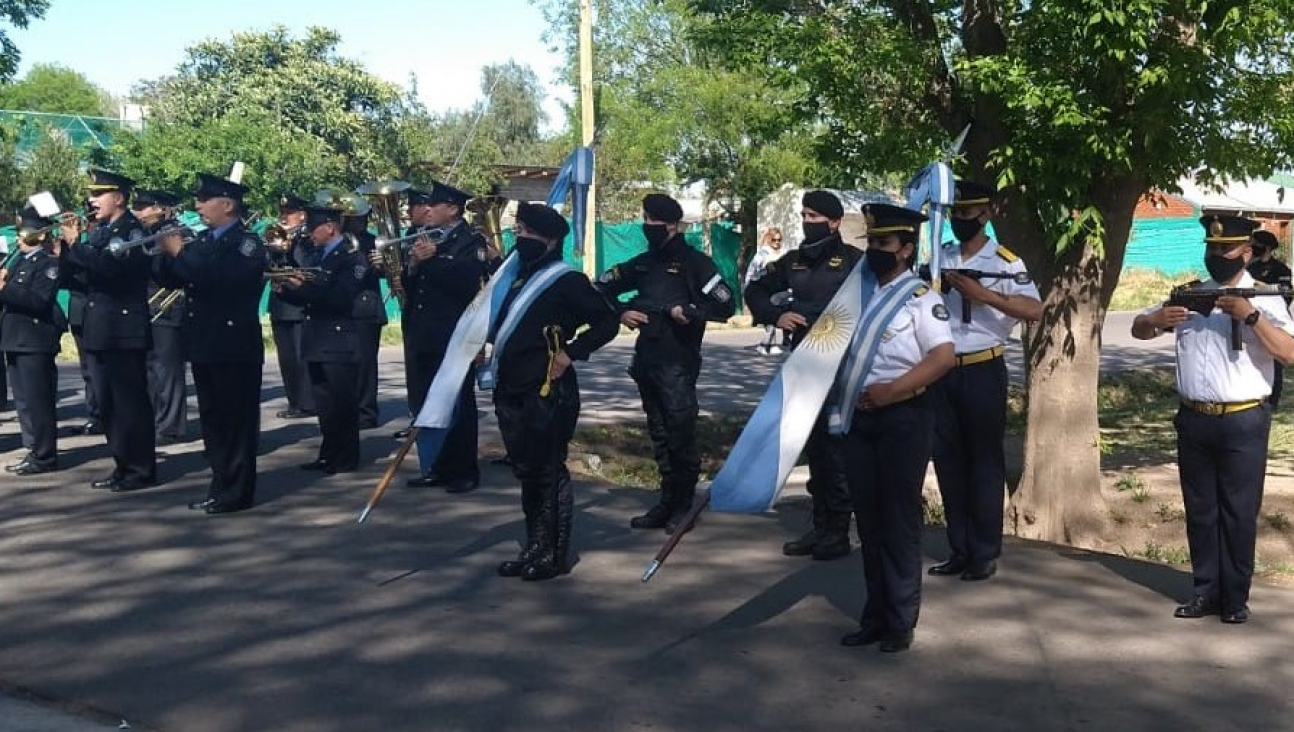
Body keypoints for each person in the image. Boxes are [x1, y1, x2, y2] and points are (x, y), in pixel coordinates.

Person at [1132, 214, 1294, 624]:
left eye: (1226, 248)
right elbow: (1138, 328)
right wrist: (1156, 321)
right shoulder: (1188, 294)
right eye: (1211, 248)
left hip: (1243, 419)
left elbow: (1290, 352)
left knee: (1238, 513)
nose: (1217, 255)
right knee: (1201, 510)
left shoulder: (1267, 297)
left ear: (1246, 251)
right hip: (1195, 418)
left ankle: (1235, 599)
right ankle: (1205, 591)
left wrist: (1251, 316)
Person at [836, 203, 955, 653]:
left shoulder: (923, 299)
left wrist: (896, 391)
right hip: (861, 419)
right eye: (870, 242)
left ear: (906, 249)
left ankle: (901, 620)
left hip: (903, 417)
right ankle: (875, 615)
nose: (874, 250)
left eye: (883, 244)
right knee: (868, 522)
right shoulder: (862, 296)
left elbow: (942, 359)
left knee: (899, 522)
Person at [488, 202, 618, 580]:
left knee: (547, 471)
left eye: (528, 233)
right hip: (511, 386)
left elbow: (607, 321)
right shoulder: (515, 276)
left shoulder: (567, 281)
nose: (520, 239)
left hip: (547, 388)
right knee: (526, 470)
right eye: (519, 231)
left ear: (550, 240)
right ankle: (534, 545)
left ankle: (554, 554)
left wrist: (571, 353)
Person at [598, 193, 736, 532]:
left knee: (680, 434)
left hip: (678, 362)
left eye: (653, 222)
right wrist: (621, 312)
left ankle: (684, 506)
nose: (647, 227)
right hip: (647, 360)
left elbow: (726, 305)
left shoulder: (695, 264)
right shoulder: (644, 263)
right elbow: (601, 285)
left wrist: (689, 312)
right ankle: (666, 501)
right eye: (644, 220)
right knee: (658, 434)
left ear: (672, 226)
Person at [928, 180, 1042, 581]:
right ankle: (959, 548)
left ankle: (984, 552)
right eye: (956, 214)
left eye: (969, 213)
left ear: (987, 214)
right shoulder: (939, 257)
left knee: (983, 462)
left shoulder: (1005, 261)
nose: (961, 220)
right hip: (941, 370)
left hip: (982, 368)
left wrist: (985, 295)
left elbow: (1033, 309)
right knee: (948, 461)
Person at [745, 190, 860, 560]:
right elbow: (756, 290)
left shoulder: (855, 262)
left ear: (834, 222)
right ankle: (820, 525)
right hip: (803, 365)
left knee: (837, 450)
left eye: (815, 217)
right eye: (804, 215)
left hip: (840, 368)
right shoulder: (793, 261)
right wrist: (774, 315)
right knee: (815, 447)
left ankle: (838, 532)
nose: (808, 222)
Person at [153, 172, 267, 515]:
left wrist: (181, 255)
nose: (198, 205)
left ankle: (236, 491)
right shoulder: (203, 242)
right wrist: (164, 252)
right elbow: (171, 276)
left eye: (205, 200)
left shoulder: (247, 244)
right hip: (205, 343)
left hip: (235, 345)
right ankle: (220, 486)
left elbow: (221, 281)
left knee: (236, 423)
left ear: (227, 205)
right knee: (213, 422)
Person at [58, 169, 157, 492]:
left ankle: (140, 468)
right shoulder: (100, 233)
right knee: (108, 404)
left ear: (118, 197)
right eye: (91, 194)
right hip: (98, 327)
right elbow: (76, 278)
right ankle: (122, 464)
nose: (91, 200)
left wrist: (78, 245)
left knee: (130, 403)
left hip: (123, 328)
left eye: (98, 194)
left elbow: (110, 270)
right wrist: (65, 247)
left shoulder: (131, 232)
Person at [400, 181, 491, 493]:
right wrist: (413, 264)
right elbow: (412, 287)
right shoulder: (427, 239)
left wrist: (433, 259)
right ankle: (436, 465)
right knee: (428, 403)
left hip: (453, 335)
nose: (426, 210)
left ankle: (464, 469)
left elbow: (464, 280)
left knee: (458, 405)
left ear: (451, 209)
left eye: (433, 205)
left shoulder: (470, 241)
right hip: (424, 332)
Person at [275, 204, 368, 474]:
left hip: (338, 340)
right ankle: (328, 453)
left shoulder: (352, 258)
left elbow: (339, 298)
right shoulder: (318, 256)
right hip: (317, 338)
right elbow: (309, 298)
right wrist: (286, 291)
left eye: (313, 228)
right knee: (325, 404)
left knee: (343, 404)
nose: (310, 234)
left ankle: (346, 457)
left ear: (330, 227)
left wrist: (304, 287)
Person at [0, 207, 67, 475]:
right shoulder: (18, 262)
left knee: (38, 401)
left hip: (35, 339)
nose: (17, 239)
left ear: (37, 235)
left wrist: (6, 288)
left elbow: (38, 301)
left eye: (21, 233)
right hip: (15, 339)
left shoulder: (48, 264)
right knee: (24, 402)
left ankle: (44, 454)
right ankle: (33, 449)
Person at [135, 189, 189, 444]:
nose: (139, 212)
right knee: (148, 371)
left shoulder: (180, 233)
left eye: (145, 207)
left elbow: (178, 272)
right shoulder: (144, 235)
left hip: (168, 310)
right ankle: (155, 419)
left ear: (163, 209)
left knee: (167, 371)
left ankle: (171, 426)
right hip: (145, 309)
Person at [267, 193, 315, 420]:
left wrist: (293, 243)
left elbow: (305, 266)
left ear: (302, 215)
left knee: (300, 357)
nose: (284, 218)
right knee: (286, 359)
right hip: (279, 305)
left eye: (289, 213)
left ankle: (307, 403)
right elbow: (267, 264)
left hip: (299, 306)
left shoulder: (307, 241)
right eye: (282, 213)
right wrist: (275, 247)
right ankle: (293, 401)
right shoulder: (276, 239)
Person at [343, 203, 386, 430]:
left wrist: (377, 264)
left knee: (365, 364)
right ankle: (349, 410)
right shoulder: (340, 241)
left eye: (358, 218)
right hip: (345, 309)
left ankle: (366, 412)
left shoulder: (372, 242)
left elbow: (381, 271)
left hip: (366, 307)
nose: (354, 222)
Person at [1247, 229, 1291, 407]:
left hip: (1272, 321)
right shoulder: (1249, 268)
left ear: (1266, 247)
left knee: (1274, 360)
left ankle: (1272, 401)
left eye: (1256, 245)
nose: (1252, 248)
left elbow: (1286, 295)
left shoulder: (1281, 269)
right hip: (1248, 319)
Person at [745, 228, 790, 355]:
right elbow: (752, 273)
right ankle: (766, 344)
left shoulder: (784, 253)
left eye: (779, 240)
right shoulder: (762, 255)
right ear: (769, 240)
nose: (777, 242)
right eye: (774, 240)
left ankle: (773, 342)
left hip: (782, 291)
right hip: (765, 290)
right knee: (771, 317)